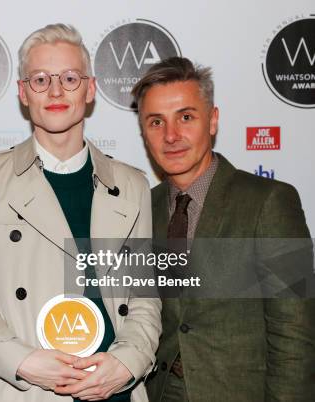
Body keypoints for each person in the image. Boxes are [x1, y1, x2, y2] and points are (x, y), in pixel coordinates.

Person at [0, 24, 161, 402]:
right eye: (40, 79)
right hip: (22, 390)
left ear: (91, 89)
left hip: (113, 390)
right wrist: (23, 361)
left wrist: (127, 363)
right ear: (22, 93)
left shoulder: (132, 185)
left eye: (69, 78)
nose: (56, 91)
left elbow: (144, 298)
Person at [131, 57, 315, 401]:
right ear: (143, 132)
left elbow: (295, 334)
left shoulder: (271, 201)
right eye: (156, 122)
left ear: (212, 121)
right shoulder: (140, 208)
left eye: (186, 117)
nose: (171, 136)